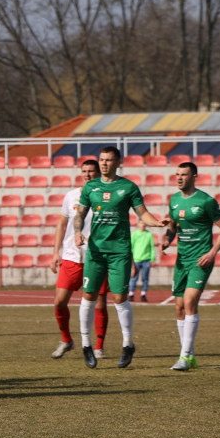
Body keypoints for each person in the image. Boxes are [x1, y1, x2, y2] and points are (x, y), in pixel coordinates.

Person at [74, 146, 165, 369]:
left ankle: (127, 344)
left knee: (119, 298)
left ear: (118, 162)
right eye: (101, 159)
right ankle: (86, 344)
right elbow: (80, 214)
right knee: (88, 295)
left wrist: (157, 223)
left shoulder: (128, 187)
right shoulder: (90, 187)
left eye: (108, 160)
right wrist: (78, 231)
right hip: (96, 250)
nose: (104, 164)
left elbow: (142, 213)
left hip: (119, 251)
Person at [162, 161, 220, 371]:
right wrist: (167, 238)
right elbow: (174, 226)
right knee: (179, 306)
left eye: (184, 174)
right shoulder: (173, 200)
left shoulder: (206, 201)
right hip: (181, 260)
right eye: (177, 174)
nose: (179, 178)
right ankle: (189, 354)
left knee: (190, 302)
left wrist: (211, 253)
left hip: (200, 260)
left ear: (194, 177)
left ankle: (184, 357)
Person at [49, 159, 109, 360]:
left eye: (91, 171)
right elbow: (62, 224)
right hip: (71, 257)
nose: (87, 174)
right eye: (84, 171)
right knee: (59, 302)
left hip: (97, 256)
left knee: (99, 302)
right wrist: (56, 252)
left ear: (98, 173)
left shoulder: (105, 196)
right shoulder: (72, 196)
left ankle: (99, 347)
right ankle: (66, 340)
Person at [129, 224, 155, 302]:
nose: (142, 225)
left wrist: (152, 258)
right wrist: (131, 258)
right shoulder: (134, 234)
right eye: (141, 223)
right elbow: (131, 247)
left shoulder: (149, 234)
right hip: (136, 259)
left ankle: (143, 294)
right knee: (134, 277)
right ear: (138, 224)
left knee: (145, 278)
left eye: (144, 223)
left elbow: (152, 247)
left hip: (146, 259)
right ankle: (131, 294)